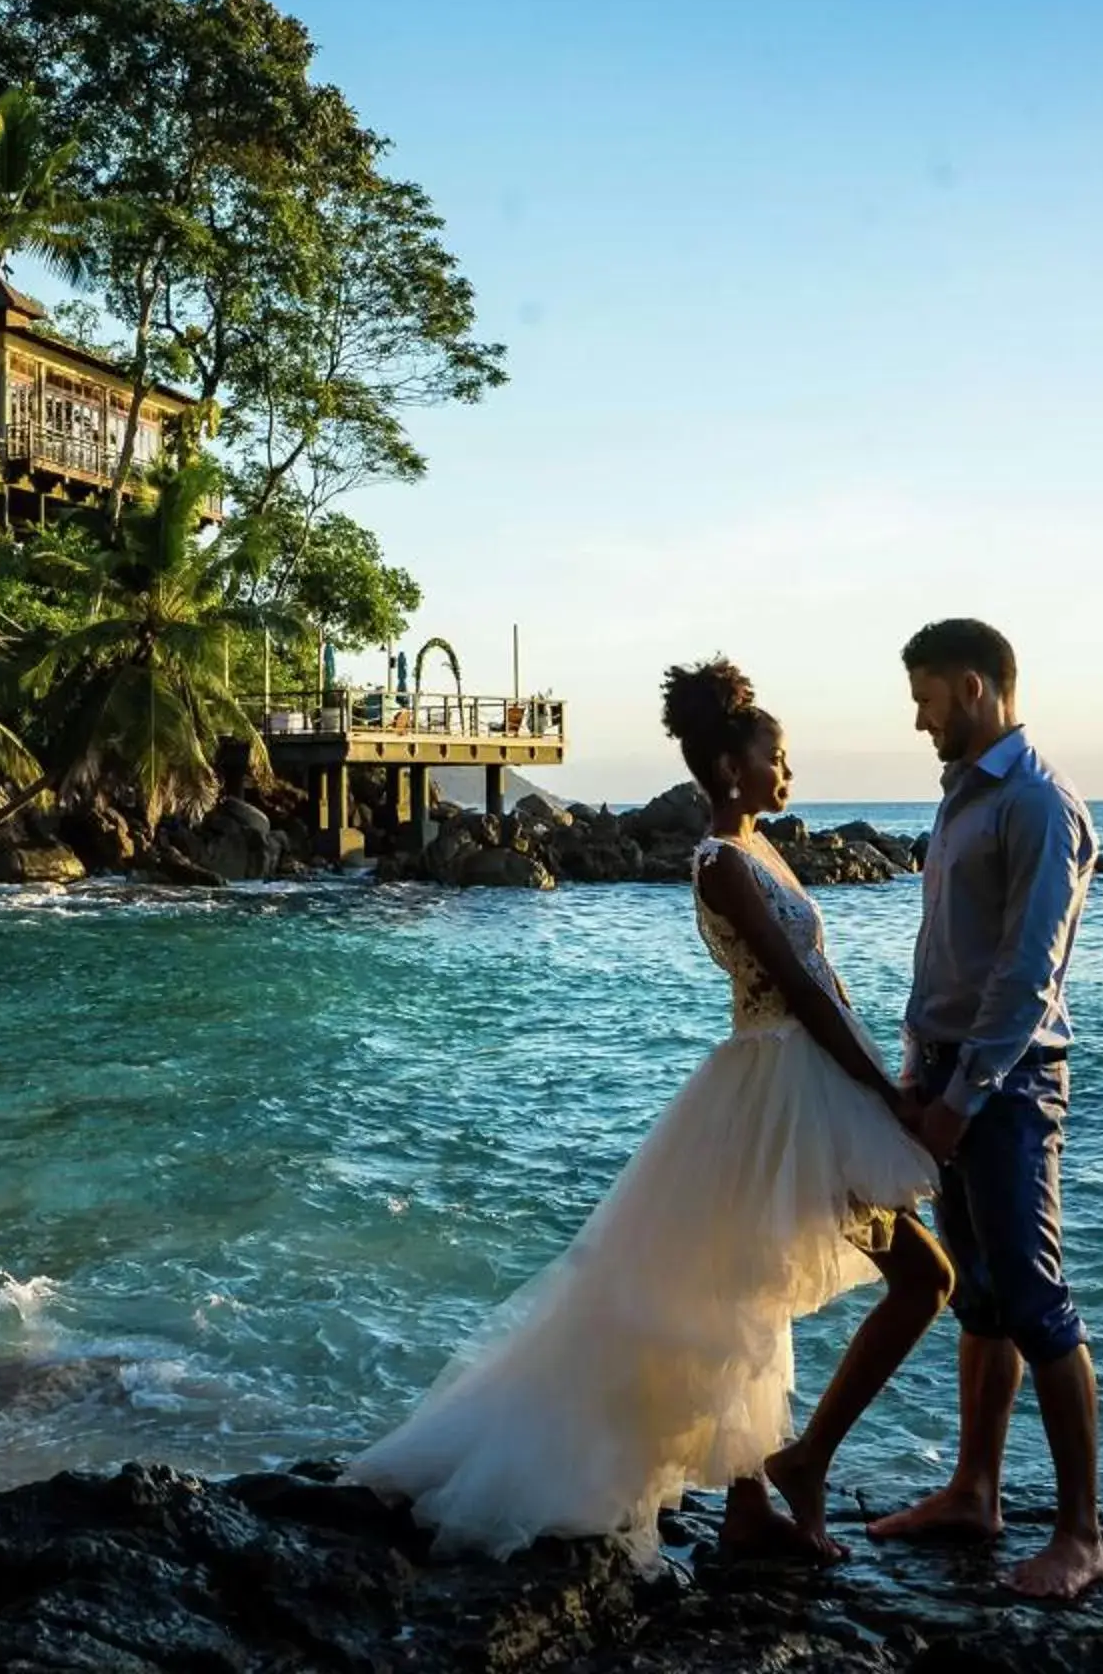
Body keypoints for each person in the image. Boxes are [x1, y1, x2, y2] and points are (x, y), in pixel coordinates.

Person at [348, 657, 951, 1561]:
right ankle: (794, 1468)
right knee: (903, 1281)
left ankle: (757, 1498)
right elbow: (799, 991)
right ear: (731, 768)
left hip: (798, 1089)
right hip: (781, 1094)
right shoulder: (722, 865)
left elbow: (820, 982)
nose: (789, 773)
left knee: (751, 1294)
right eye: (776, 757)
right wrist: (886, 1089)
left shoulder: (759, 848)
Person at [868, 618, 1103, 1600]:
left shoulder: (1040, 803)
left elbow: (1025, 975)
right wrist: (917, 1071)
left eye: (925, 696)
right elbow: (950, 957)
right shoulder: (963, 799)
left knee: (1036, 1295)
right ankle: (975, 1490)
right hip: (953, 1077)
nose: (917, 717)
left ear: (972, 688)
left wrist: (962, 1097)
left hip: (1006, 1087)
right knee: (981, 1294)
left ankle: (1082, 1535)